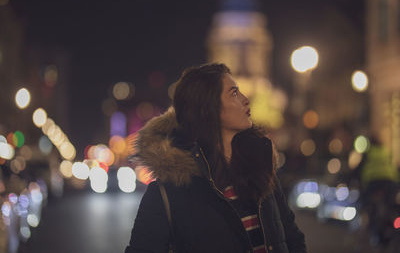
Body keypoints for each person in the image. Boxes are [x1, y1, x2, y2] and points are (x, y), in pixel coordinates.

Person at [125, 63, 306, 253]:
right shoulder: (167, 194)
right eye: (234, 93)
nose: (245, 100)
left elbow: (292, 239)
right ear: (207, 108)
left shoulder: (261, 170)